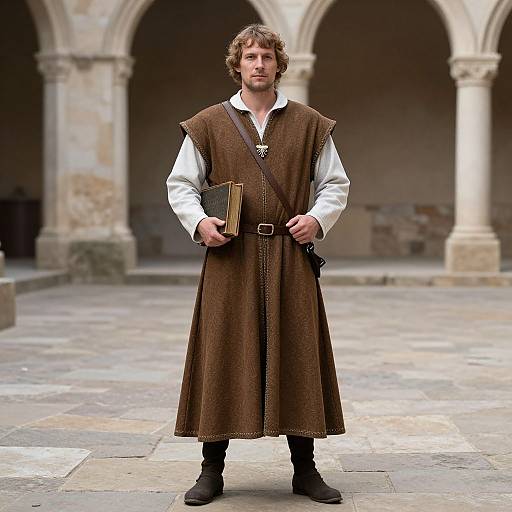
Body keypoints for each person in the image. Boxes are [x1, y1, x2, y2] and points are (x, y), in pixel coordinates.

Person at [166, 23, 350, 506]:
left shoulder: (310, 122)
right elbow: (180, 183)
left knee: (297, 352)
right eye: (250, 57)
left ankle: (305, 470)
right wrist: (200, 222)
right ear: (238, 65)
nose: (259, 65)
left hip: (290, 257)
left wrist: (317, 218)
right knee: (223, 353)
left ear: (278, 64)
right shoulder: (208, 123)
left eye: (267, 57)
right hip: (231, 257)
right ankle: (211, 470)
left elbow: (336, 183)